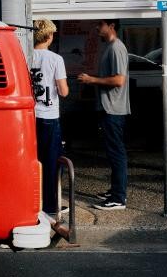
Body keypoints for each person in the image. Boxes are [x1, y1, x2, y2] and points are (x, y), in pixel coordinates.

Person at [77, 19, 130, 210]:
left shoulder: (116, 48)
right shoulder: (109, 47)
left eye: (100, 24)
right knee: (112, 151)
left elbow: (119, 80)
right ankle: (115, 190)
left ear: (112, 26)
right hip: (108, 107)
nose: (97, 27)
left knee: (117, 152)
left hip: (113, 108)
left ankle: (118, 198)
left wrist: (91, 80)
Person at [31, 18, 68, 218]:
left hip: (30, 117)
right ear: (49, 36)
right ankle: (51, 205)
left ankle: (33, 202)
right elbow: (63, 91)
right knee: (52, 162)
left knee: (33, 160)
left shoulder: (26, 56)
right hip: (49, 117)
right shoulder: (55, 59)